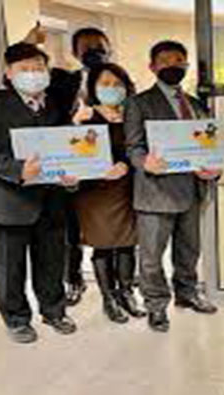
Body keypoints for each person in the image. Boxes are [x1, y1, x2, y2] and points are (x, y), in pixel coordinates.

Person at [0, 43, 78, 344]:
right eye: (24, 69)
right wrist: (17, 169)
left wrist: (71, 174)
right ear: (9, 73)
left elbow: (66, 146)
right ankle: (16, 319)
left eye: (39, 68)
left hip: (51, 198)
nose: (33, 74)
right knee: (10, 267)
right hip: (7, 199)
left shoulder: (55, 105)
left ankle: (54, 311)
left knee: (52, 261)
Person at [125, 40, 221, 333]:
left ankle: (187, 293)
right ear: (152, 67)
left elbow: (208, 145)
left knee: (189, 250)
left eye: (179, 60)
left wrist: (213, 168)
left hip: (193, 189)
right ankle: (156, 305)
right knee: (151, 257)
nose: (173, 66)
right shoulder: (139, 103)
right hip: (156, 191)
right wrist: (145, 162)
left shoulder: (195, 104)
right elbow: (133, 147)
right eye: (165, 61)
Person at [25, 24, 115, 306]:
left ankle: (113, 286)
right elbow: (25, 77)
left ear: (109, 49)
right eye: (86, 48)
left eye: (99, 47)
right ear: (75, 53)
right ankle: (74, 279)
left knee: (106, 228)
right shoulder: (61, 80)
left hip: (107, 169)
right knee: (70, 232)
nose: (94, 52)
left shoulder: (117, 81)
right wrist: (31, 45)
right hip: (71, 167)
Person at [71, 63, 146, 323]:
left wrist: (126, 165)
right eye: (105, 84)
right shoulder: (85, 116)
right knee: (102, 245)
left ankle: (127, 294)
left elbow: (141, 148)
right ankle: (109, 299)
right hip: (95, 192)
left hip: (127, 189)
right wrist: (75, 124)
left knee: (128, 243)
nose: (112, 89)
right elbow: (73, 154)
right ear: (93, 88)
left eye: (117, 84)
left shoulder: (133, 114)